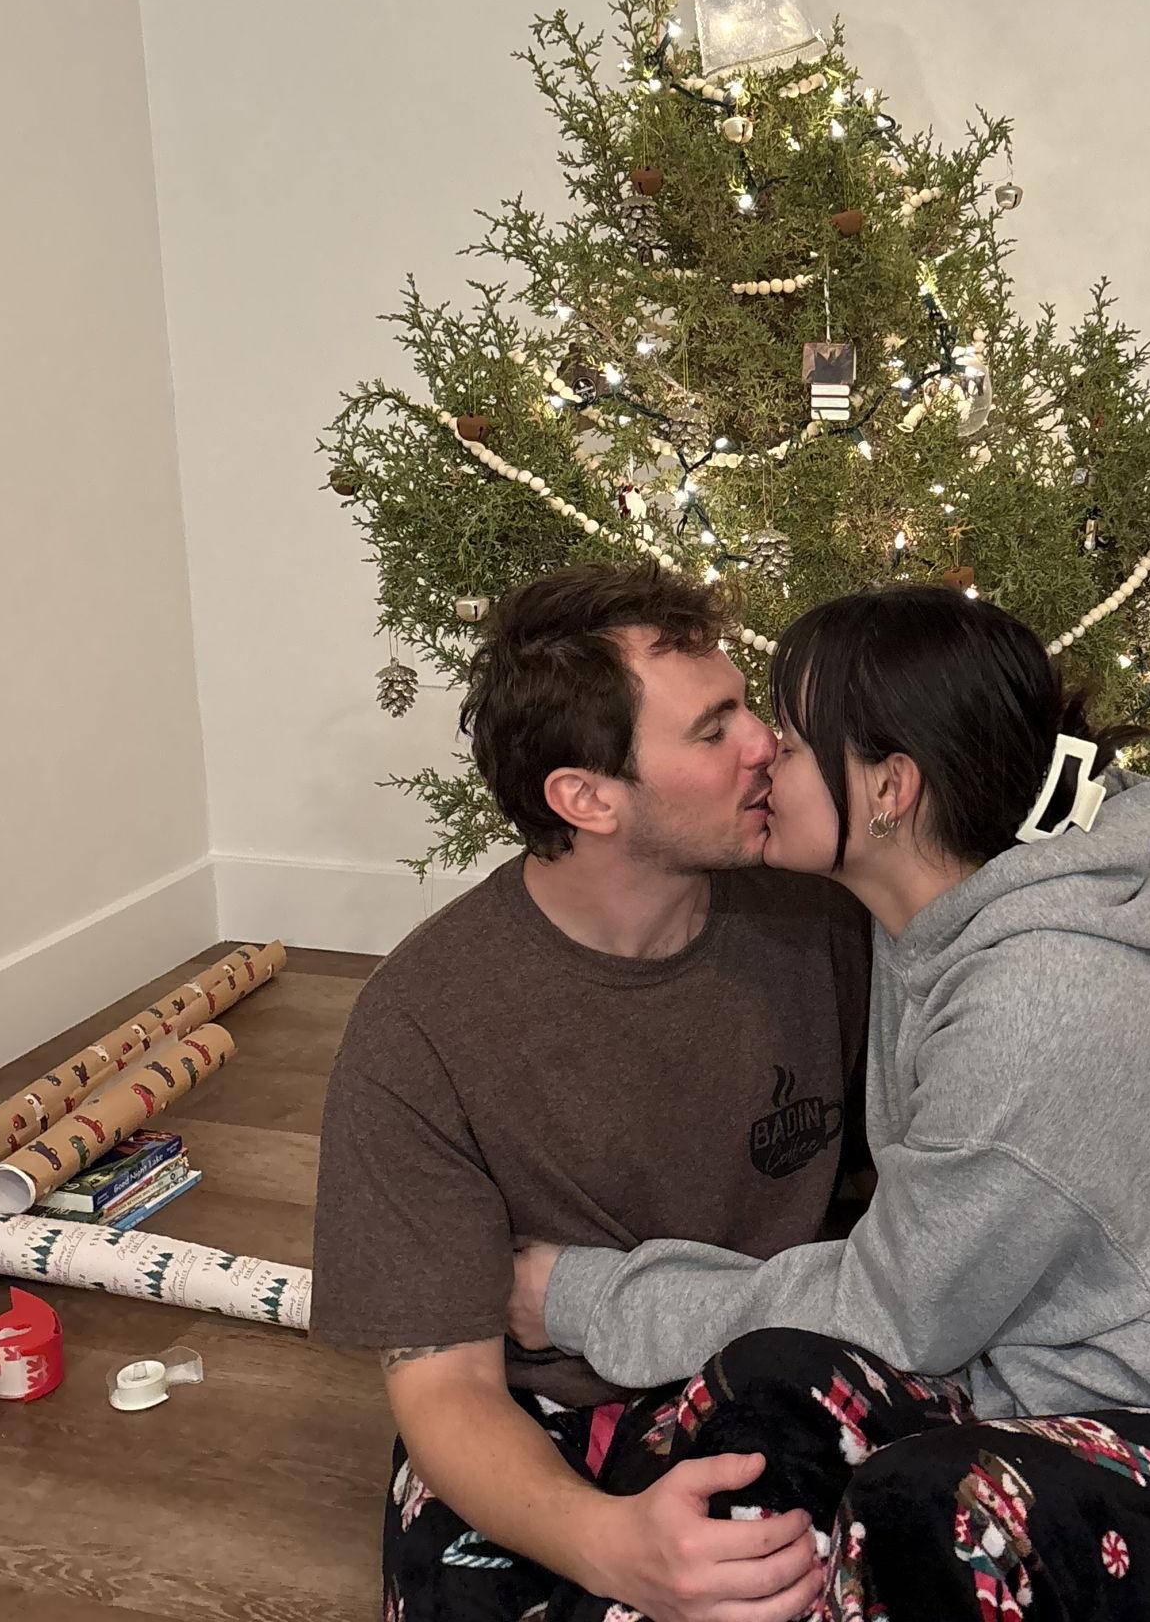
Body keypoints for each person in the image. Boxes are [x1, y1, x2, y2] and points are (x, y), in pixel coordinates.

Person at [509, 583, 1150, 1620]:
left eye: (790, 736)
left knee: (929, 1506)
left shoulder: (1036, 1003)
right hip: (1038, 1391)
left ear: (890, 785)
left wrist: (577, 1295)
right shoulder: (925, 913)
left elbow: (887, 1314)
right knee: (771, 1379)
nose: (755, 748)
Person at [310, 565, 871, 1622]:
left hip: (788, 1362)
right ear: (585, 796)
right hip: (554, 1414)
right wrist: (613, 1545)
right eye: (715, 728)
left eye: (747, 705)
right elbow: (445, 1384)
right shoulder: (420, 1024)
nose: (767, 742)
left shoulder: (822, 920)